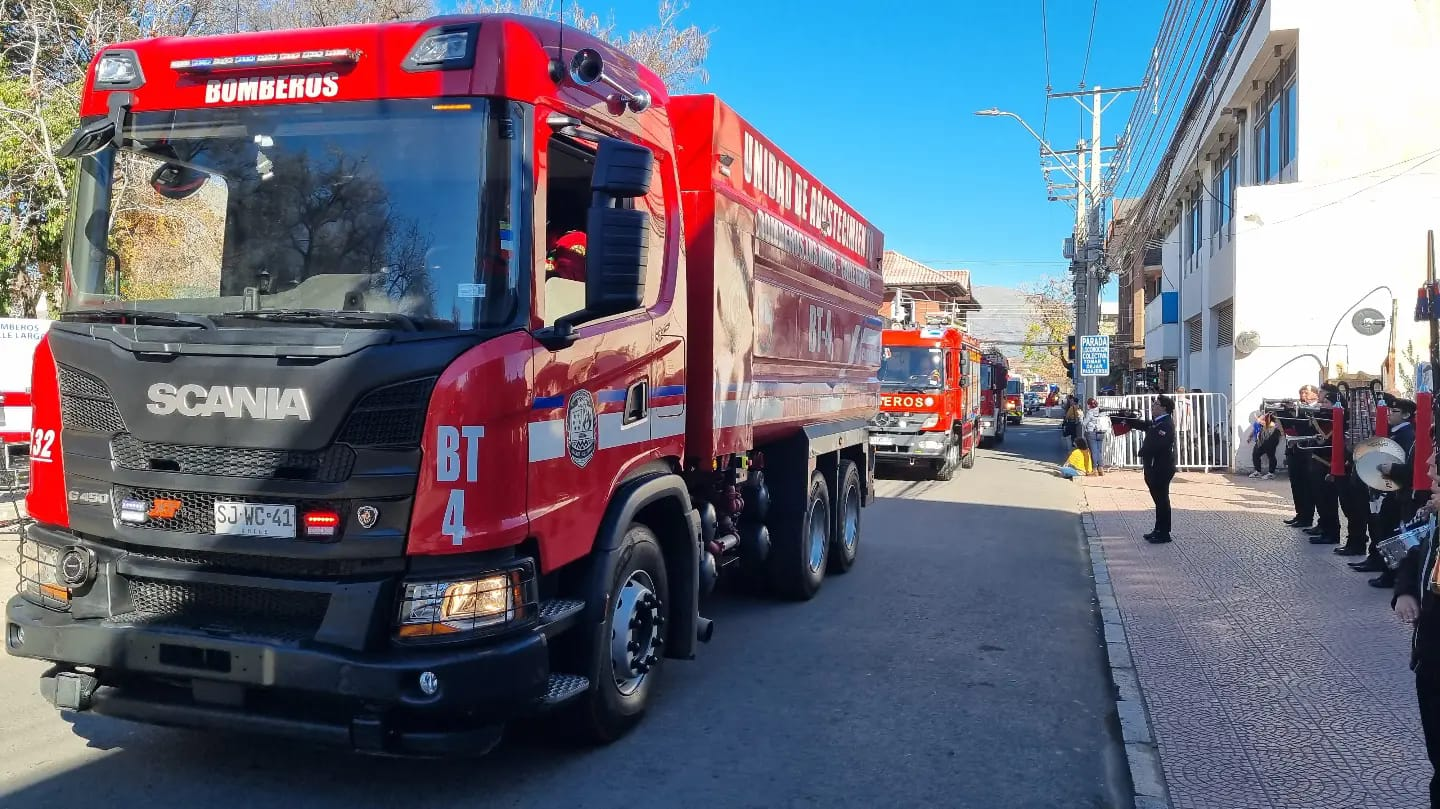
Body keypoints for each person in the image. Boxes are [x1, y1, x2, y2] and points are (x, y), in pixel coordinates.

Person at [1391, 446, 1440, 809]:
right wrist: (1406, 592)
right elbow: (1411, 550)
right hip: (1430, 655)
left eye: (1436, 461)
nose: (1428, 468)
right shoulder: (1432, 515)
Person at [1131, 395, 1178, 543]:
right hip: (1154, 467)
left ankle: (1164, 533)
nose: (1153, 407)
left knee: (1162, 500)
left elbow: (1157, 445)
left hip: (1161, 467)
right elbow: (1146, 425)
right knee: (1158, 501)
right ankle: (1158, 529)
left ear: (1164, 408)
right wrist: (1128, 420)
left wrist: (1141, 452)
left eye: (1156, 404)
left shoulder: (1166, 424)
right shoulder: (1158, 422)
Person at [1247, 411, 1282, 479]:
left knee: (1271, 456)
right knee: (1255, 454)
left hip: (1271, 440)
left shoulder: (1274, 423)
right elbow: (1256, 428)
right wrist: (1250, 436)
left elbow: (1269, 424)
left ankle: (1271, 473)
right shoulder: (1262, 420)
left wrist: (1258, 419)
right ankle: (1258, 472)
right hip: (1262, 441)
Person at [1082, 398, 1112, 475]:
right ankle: (1101, 469)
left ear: (1089, 405)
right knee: (1099, 451)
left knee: (1094, 451)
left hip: (1092, 433)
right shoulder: (1102, 411)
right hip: (1101, 432)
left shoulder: (1090, 412)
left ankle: (1094, 469)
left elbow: (1084, 423)